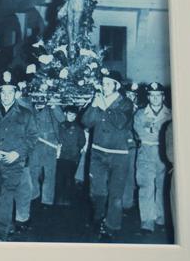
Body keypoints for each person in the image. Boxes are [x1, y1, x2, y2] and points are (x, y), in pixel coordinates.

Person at [0, 71, 38, 241]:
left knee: (6, 194)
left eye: (10, 92)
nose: (6, 95)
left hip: (14, 160)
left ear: (16, 93)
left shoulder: (26, 114)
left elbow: (32, 137)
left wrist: (17, 153)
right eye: (3, 92)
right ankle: (8, 225)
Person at [81, 69, 134, 239]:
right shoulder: (98, 100)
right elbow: (85, 122)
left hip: (119, 154)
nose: (104, 86)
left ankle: (111, 226)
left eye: (108, 83)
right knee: (97, 191)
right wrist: (93, 106)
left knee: (115, 194)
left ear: (116, 86)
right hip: (98, 152)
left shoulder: (126, 103)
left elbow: (120, 122)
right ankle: (98, 217)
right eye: (103, 83)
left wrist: (103, 106)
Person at [133, 82, 172, 233]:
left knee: (163, 187)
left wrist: (154, 132)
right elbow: (141, 134)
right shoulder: (140, 114)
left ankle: (161, 218)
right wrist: (158, 132)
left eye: (158, 96)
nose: (155, 99)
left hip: (164, 154)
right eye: (152, 96)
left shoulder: (170, 114)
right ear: (148, 97)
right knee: (146, 186)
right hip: (146, 153)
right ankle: (147, 221)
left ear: (163, 97)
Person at [30, 102, 64, 207]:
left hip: (51, 144)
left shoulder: (52, 107)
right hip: (35, 144)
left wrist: (55, 106)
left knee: (50, 173)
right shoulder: (30, 107)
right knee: (33, 171)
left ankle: (47, 200)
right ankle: (33, 195)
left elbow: (62, 119)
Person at [56, 106, 86, 206]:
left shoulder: (78, 128)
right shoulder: (60, 126)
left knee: (70, 178)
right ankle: (59, 198)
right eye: (69, 114)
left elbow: (82, 141)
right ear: (65, 114)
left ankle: (68, 199)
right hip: (61, 156)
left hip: (73, 157)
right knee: (60, 177)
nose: (71, 117)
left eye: (74, 115)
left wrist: (76, 149)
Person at [122, 82, 141, 210]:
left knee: (130, 174)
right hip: (119, 145)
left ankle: (127, 202)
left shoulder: (140, 111)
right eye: (128, 94)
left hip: (133, 146)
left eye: (133, 95)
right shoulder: (120, 108)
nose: (130, 97)